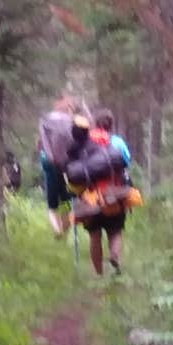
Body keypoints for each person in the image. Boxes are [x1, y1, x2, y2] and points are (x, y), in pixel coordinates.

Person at [67, 111, 136, 277]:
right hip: (114, 193)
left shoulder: (82, 142)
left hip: (90, 197)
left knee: (94, 236)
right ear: (110, 125)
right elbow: (126, 161)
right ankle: (114, 257)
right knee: (115, 231)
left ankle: (99, 275)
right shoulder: (115, 141)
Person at [34, 92, 85, 236]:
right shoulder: (73, 120)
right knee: (68, 200)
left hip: (51, 163)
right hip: (68, 164)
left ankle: (59, 230)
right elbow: (78, 142)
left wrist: (49, 156)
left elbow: (41, 143)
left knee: (53, 202)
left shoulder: (45, 120)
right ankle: (61, 229)